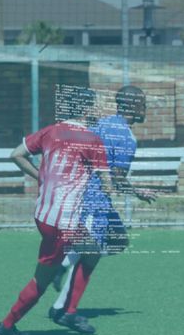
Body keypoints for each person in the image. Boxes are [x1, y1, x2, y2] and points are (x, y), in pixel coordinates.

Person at [0, 88, 119, 335]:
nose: (97, 111)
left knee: (92, 251)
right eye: (95, 106)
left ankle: (68, 310)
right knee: (42, 278)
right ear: (85, 110)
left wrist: (41, 175)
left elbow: (16, 154)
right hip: (64, 221)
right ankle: (7, 325)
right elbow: (107, 184)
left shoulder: (51, 131)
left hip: (44, 214)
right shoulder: (92, 140)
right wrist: (108, 186)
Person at [48, 86, 155, 321]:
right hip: (91, 199)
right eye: (143, 104)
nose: (145, 108)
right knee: (89, 254)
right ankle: (61, 308)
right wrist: (138, 192)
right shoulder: (126, 138)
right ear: (133, 106)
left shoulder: (103, 124)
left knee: (118, 240)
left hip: (86, 194)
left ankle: (64, 265)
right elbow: (116, 179)